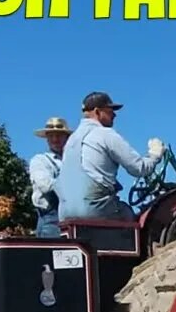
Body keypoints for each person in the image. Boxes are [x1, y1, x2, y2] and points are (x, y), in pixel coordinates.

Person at [55, 91, 166, 221]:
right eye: (110, 110)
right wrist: (154, 155)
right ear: (97, 112)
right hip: (95, 209)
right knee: (130, 215)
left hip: (64, 213)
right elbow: (139, 168)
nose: (114, 114)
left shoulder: (71, 140)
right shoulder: (104, 134)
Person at [29, 116, 71, 237]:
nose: (55, 139)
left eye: (59, 135)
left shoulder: (75, 162)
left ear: (67, 137)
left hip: (74, 219)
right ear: (47, 139)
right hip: (51, 220)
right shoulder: (40, 161)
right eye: (51, 136)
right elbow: (45, 185)